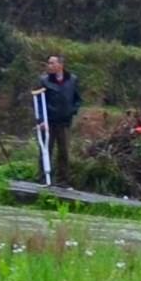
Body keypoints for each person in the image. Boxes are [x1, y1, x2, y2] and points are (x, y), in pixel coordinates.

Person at [38, 54, 81, 186]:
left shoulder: (72, 80)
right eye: (48, 63)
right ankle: (43, 177)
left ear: (60, 65)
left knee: (64, 152)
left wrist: (72, 111)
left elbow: (77, 99)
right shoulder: (44, 80)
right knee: (46, 150)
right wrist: (41, 120)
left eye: (52, 63)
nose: (49, 66)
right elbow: (38, 101)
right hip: (49, 121)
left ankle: (63, 180)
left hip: (64, 122)